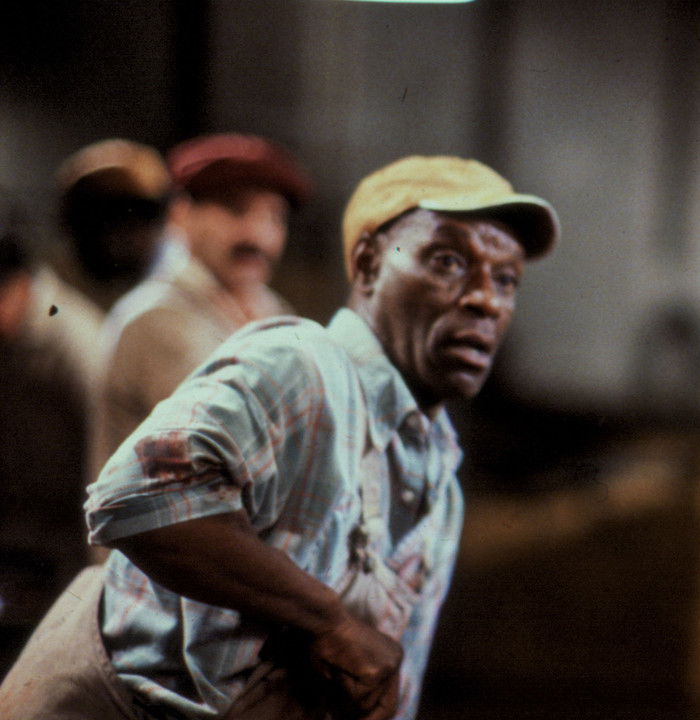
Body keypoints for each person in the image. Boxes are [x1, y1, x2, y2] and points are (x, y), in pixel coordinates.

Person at [0, 155, 558, 719]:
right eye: (447, 261)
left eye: (506, 279)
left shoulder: (439, 483)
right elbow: (132, 494)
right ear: (368, 264)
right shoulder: (302, 364)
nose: (486, 299)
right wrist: (330, 622)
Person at [96, 133, 312, 468]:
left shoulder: (270, 307)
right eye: (236, 210)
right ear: (180, 215)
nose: (258, 235)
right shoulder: (156, 316)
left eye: (274, 217)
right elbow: (235, 445)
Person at [0, 195, 92, 676]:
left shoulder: (77, 343)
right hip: (13, 543)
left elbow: (105, 466)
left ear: (20, 285)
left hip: (69, 553)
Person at [55, 138, 174, 313]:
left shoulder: (178, 279)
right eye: (99, 212)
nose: (118, 232)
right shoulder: (50, 289)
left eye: (136, 211)